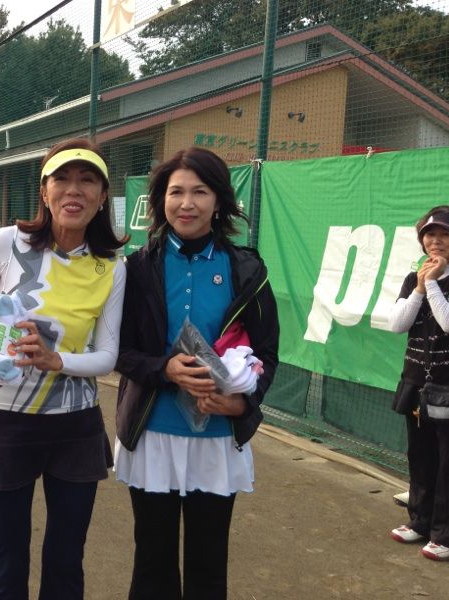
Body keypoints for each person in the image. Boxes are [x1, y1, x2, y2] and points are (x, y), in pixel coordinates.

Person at [0, 138, 127, 599]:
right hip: (7, 422)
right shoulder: (5, 243)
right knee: (7, 560)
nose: (73, 190)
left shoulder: (113, 267)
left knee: (66, 560)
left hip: (76, 426)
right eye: (62, 179)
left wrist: (57, 360)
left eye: (87, 180)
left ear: (101, 197)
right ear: (44, 192)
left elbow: (108, 355)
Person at [114, 147, 279, 599]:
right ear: (160, 200)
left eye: (200, 192)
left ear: (220, 200)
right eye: (176, 192)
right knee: (152, 562)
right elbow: (119, 352)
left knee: (208, 565)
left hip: (217, 439)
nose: (187, 203)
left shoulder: (247, 268)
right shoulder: (137, 268)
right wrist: (164, 368)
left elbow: (267, 353)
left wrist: (242, 401)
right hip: (153, 433)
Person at [388, 205, 449, 562]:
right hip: (415, 383)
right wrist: (419, 286)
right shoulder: (412, 278)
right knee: (420, 456)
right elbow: (397, 324)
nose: (436, 241)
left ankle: (446, 533)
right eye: (430, 235)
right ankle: (420, 521)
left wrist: (430, 282)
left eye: (446, 234)